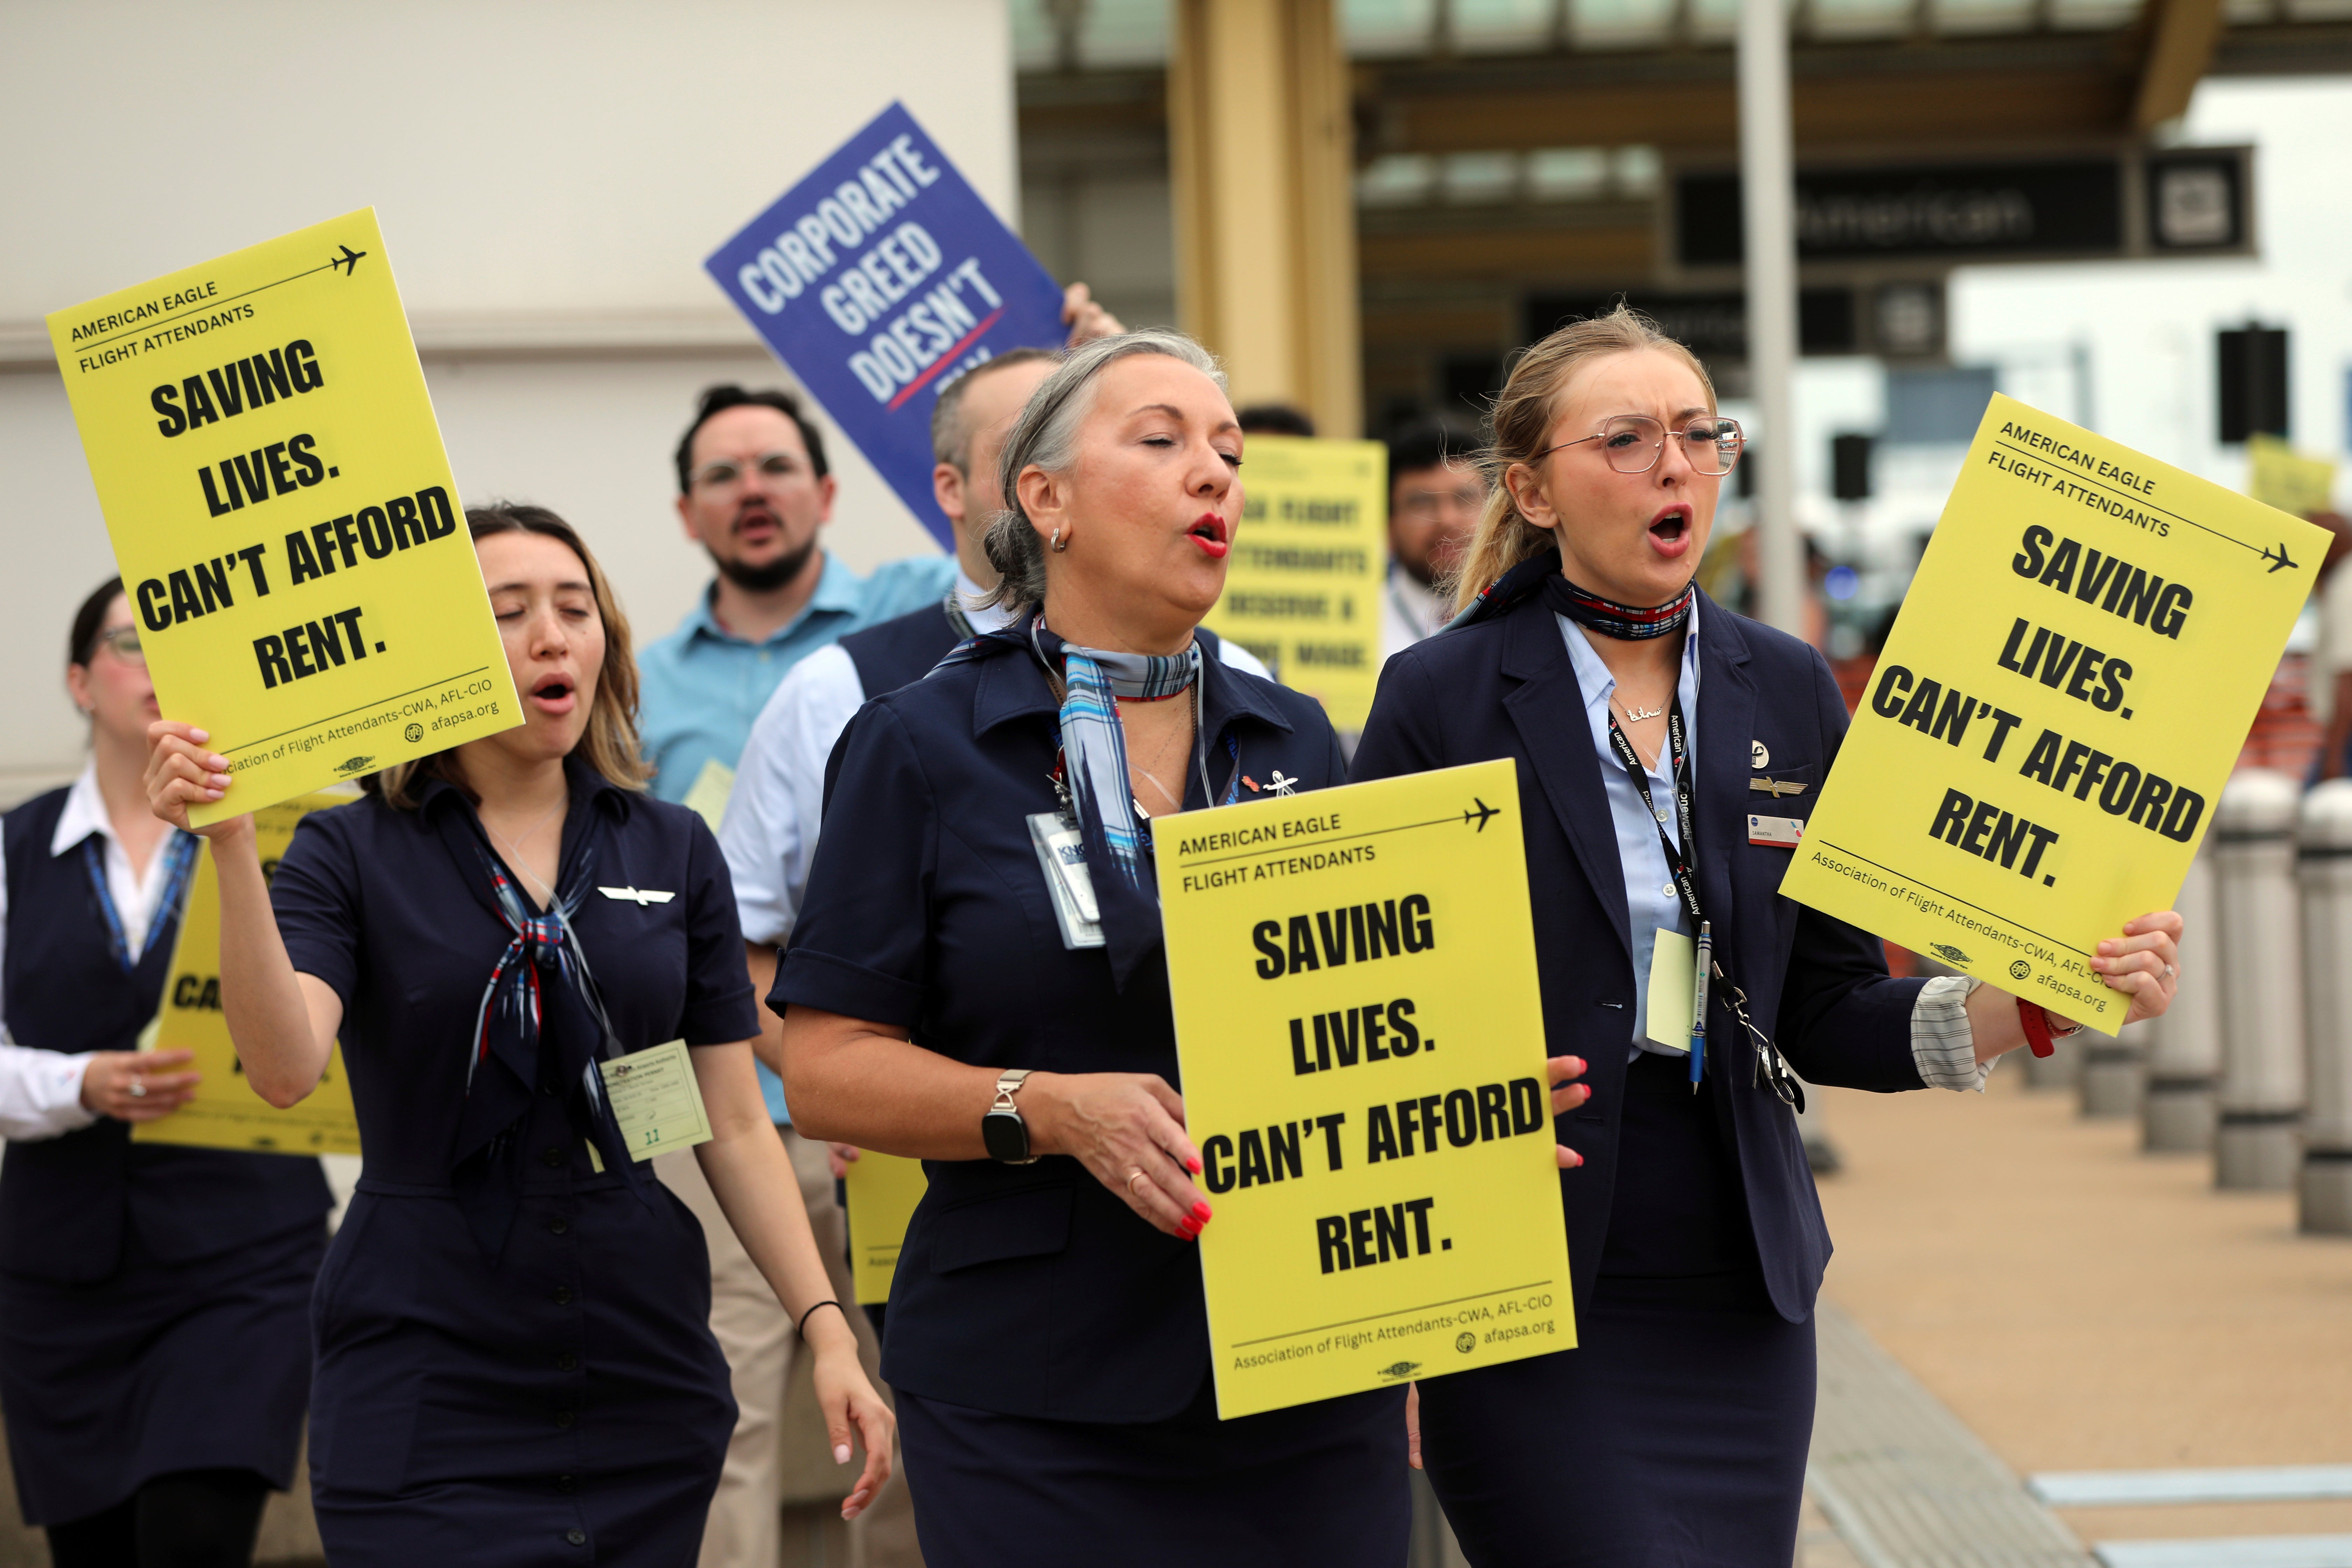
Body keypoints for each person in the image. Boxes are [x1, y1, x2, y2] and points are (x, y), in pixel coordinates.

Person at [1350, 306, 2184, 1567]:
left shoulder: (1784, 682)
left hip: (1735, 1278)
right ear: (1529, 487)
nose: (1672, 465)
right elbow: (1369, 1007)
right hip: (1525, 1261)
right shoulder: (1440, 695)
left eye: (1697, 434)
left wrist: (2039, 997)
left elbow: (1825, 1003)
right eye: (1623, 440)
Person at [772, 331, 1433, 1566]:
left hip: (1303, 1372)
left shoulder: (1294, 734)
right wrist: (1051, 1109)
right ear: (1047, 499)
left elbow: (1359, 1027)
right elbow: (826, 1070)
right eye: (1165, 440)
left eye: (1229, 452)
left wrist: (1469, 1099)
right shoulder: (920, 744)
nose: (1217, 474)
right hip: (1036, 1393)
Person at [142, 505, 892, 1567]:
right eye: (509, 611)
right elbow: (280, 1066)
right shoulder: (347, 849)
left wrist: (825, 1328)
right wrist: (226, 851)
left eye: (575, 608)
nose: (553, 635)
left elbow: (730, 1116)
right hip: (425, 1358)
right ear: (435, 652)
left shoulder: (672, 845)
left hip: (640, 1357)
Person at [645, 288, 1123, 1568]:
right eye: (1019, 457)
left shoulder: (1211, 683)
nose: (1044, 481)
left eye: (1064, 448)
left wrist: (1121, 386)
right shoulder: (855, 686)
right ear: (953, 490)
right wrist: (851, 1084)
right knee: (812, 1451)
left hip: (1107, 1167)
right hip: (824, 1142)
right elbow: (728, 945)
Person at [0, 579, 333, 1568]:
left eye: (186, 650)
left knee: (197, 1533)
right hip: (62, 1275)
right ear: (78, 680)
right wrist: (76, 1084)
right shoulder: (14, 852)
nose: (161, 670)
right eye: (134, 644)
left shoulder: (292, 837)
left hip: (246, 1258)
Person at [1381, 419, 1483, 662]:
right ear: (1389, 526)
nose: (1447, 520)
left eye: (1465, 498)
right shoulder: (1356, 631)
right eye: (1422, 503)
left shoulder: (1538, 619)